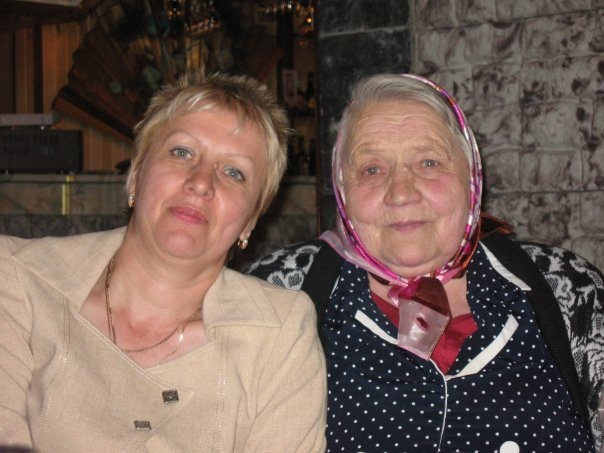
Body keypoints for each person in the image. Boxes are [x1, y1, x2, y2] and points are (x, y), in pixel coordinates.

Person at [248, 73, 604, 452]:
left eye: (429, 162)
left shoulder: (567, 289)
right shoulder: (280, 290)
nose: (401, 193)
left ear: (471, 179)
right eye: (372, 169)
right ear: (342, 190)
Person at [0, 72, 327, 452]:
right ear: (136, 176)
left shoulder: (279, 334)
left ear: (250, 221)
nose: (201, 182)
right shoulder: (18, 279)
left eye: (234, 172)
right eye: (182, 152)